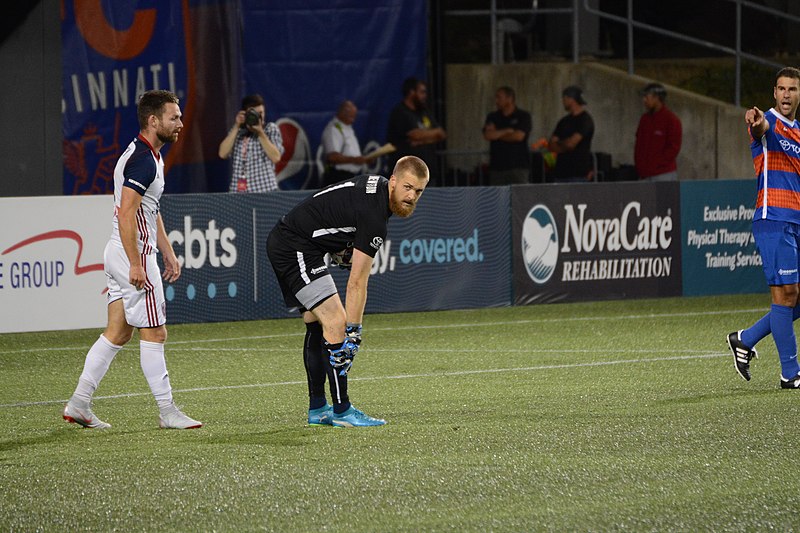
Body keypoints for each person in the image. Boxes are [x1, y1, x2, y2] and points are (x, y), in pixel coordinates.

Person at [63, 90, 202, 429]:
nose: (180, 123)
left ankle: (79, 403)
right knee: (155, 333)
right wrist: (138, 263)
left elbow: (147, 209)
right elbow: (127, 214)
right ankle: (168, 412)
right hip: (132, 256)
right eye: (174, 117)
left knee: (117, 333)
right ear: (153, 121)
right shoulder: (142, 158)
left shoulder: (149, 154)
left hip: (118, 253)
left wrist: (167, 251)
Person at [266, 155, 430, 427]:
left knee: (316, 325)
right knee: (337, 324)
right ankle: (342, 411)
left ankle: (318, 409)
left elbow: (334, 213)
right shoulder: (375, 217)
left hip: (297, 242)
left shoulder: (375, 189)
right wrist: (354, 331)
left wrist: (338, 247)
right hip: (295, 246)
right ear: (393, 182)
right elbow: (357, 283)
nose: (412, 196)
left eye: (418, 191)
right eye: (408, 187)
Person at [726, 66, 800, 389]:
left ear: (799, 94)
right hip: (773, 219)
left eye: (793, 89)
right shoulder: (768, 123)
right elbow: (760, 128)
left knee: (794, 297)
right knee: (784, 295)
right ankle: (790, 373)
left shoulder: (798, 130)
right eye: (781, 89)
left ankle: (746, 339)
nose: (786, 94)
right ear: (774, 93)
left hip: (795, 222)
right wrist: (756, 122)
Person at [218, 93, 284, 193]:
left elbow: (276, 157)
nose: (259, 117)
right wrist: (236, 126)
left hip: (265, 191)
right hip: (238, 193)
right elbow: (222, 153)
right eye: (254, 114)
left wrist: (260, 133)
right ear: (245, 114)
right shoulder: (238, 131)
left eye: (261, 113)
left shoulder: (270, 129)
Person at [386, 77, 446, 184]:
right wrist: (431, 134)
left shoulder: (424, 111)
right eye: (422, 92)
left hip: (428, 173)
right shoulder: (400, 112)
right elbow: (414, 135)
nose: (425, 96)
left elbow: (441, 133)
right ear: (411, 92)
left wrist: (423, 139)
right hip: (408, 176)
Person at [482, 86, 532, 185]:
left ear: (509, 98)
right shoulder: (492, 117)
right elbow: (488, 135)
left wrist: (497, 134)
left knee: (519, 197)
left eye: (499, 97)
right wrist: (506, 131)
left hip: (518, 167)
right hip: (497, 168)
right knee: (497, 199)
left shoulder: (523, 116)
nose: (496, 101)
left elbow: (518, 136)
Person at [634, 82, 683, 181]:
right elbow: (639, 144)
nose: (644, 100)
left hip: (663, 174)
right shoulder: (645, 119)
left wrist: (656, 164)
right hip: (644, 174)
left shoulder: (671, 120)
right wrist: (640, 165)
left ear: (657, 98)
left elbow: (673, 148)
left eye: (647, 97)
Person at [547, 85, 595, 182]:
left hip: (578, 173)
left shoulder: (585, 120)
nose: (563, 101)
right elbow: (551, 146)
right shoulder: (563, 121)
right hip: (561, 173)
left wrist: (559, 143)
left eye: (564, 98)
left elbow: (571, 144)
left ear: (571, 99)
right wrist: (565, 143)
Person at [320, 100, 368, 187]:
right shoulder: (333, 129)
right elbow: (332, 157)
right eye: (350, 116)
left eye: (354, 116)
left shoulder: (347, 128)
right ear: (342, 113)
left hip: (349, 177)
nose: (353, 120)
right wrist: (355, 160)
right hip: (337, 178)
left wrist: (365, 159)